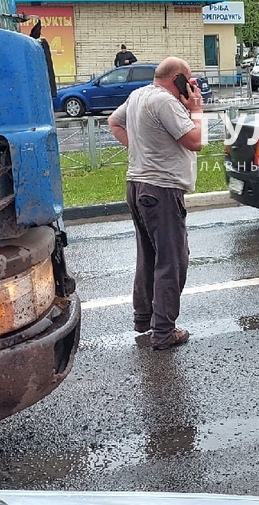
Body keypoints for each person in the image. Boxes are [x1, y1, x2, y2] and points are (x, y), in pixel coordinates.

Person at [107, 57, 204, 350]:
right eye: (188, 82)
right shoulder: (165, 102)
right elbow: (195, 140)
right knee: (172, 262)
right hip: (161, 191)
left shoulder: (139, 95)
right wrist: (197, 110)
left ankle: (144, 318)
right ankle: (163, 331)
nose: (190, 87)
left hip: (136, 186)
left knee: (148, 256)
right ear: (178, 80)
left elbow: (114, 122)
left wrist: (140, 150)